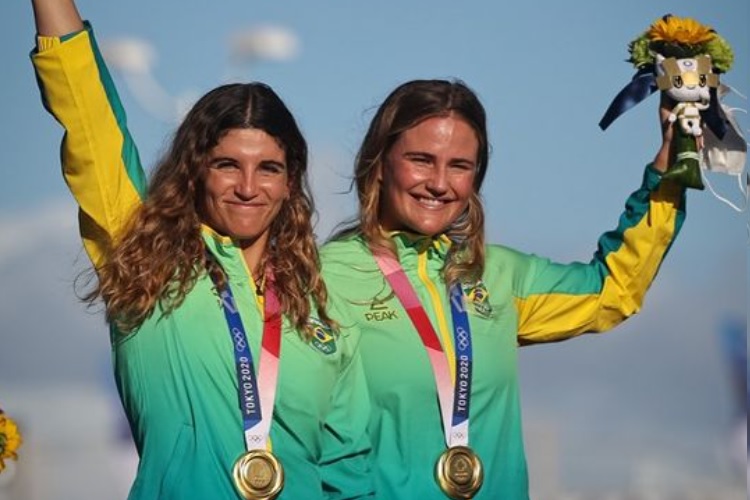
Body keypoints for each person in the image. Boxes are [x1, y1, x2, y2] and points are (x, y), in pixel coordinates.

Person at [29, 1, 373, 499]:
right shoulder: (145, 259)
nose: (248, 187)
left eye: (269, 169)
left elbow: (351, 470)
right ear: (195, 170)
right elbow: (89, 121)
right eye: (227, 164)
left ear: (290, 180)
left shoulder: (321, 306)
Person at [320, 79, 685, 499]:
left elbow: (613, 289)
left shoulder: (498, 275)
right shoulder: (325, 277)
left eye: (459, 166)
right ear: (380, 162)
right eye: (421, 160)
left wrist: (669, 172)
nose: (440, 183)